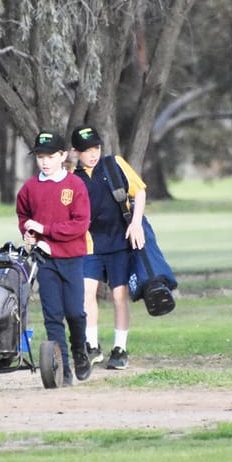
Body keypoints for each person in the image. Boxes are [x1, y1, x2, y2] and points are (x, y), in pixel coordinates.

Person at [16, 130, 93, 385]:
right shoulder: (30, 187)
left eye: (50, 156)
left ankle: (80, 350)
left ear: (63, 156)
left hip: (71, 258)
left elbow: (80, 224)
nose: (45, 162)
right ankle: (64, 370)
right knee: (52, 316)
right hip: (44, 261)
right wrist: (28, 234)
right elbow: (24, 217)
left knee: (75, 313)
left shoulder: (75, 185)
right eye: (40, 157)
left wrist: (46, 231)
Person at [71, 124, 147, 370]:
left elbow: (140, 191)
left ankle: (120, 349)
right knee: (86, 294)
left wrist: (136, 223)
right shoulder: (72, 177)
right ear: (75, 152)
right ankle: (91, 347)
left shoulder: (114, 164)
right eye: (86, 150)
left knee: (118, 296)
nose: (92, 154)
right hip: (89, 244)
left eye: (96, 148)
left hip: (119, 242)